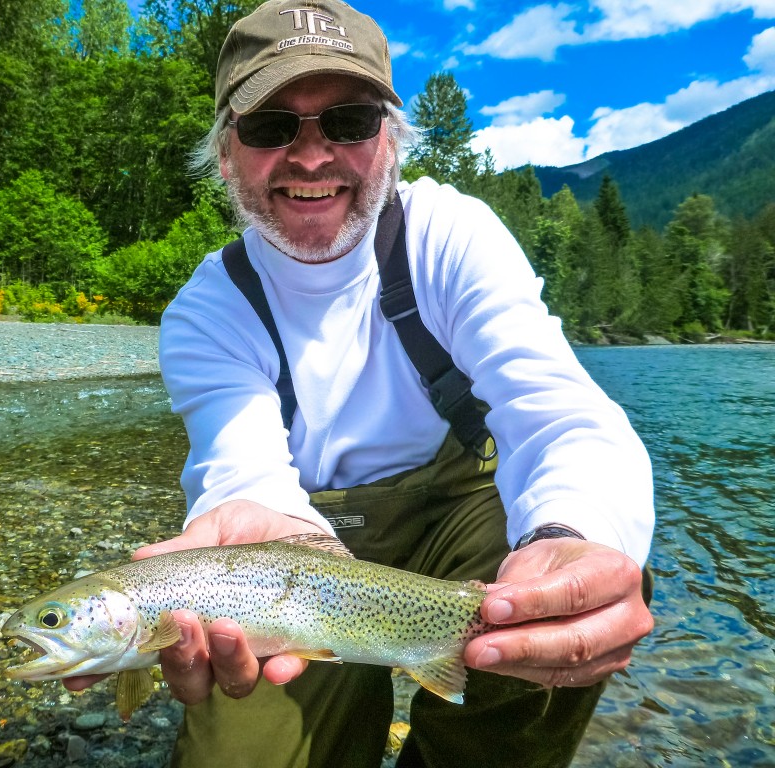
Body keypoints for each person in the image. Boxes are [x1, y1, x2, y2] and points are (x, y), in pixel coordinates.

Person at [67, 0, 655, 765]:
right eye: (272, 127)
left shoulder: (452, 238)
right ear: (224, 153)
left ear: (392, 141)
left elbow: (559, 417)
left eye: (348, 122)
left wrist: (570, 537)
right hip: (301, 551)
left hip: (465, 521)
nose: (312, 157)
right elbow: (241, 471)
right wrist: (271, 531)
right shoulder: (207, 312)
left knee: (582, 584)